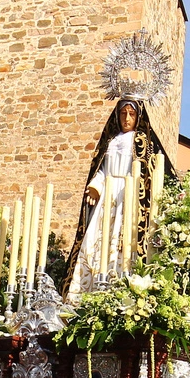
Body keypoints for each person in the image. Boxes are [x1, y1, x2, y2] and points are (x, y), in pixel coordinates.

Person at [65, 97, 165, 301]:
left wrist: (134, 190)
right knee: (95, 242)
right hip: (107, 197)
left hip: (128, 198)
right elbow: (101, 169)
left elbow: (147, 173)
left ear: (138, 117)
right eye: (123, 113)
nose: (127, 118)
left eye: (131, 114)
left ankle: (119, 290)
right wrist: (95, 185)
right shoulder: (109, 142)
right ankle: (85, 293)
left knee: (122, 244)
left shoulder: (142, 142)